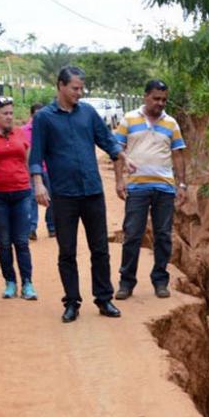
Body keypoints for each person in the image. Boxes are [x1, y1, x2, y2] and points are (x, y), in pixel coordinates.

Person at [30, 66, 134, 323]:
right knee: (67, 251)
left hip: (92, 192)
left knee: (99, 249)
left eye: (81, 88)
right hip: (64, 195)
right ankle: (72, 302)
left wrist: (121, 154)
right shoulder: (44, 118)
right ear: (61, 86)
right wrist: (39, 184)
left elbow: (105, 139)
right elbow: (36, 155)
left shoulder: (87, 112)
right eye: (75, 88)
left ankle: (104, 299)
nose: (80, 92)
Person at [114, 80, 186, 300]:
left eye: (164, 99)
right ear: (145, 96)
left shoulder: (171, 123)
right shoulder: (129, 119)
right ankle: (126, 283)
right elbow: (117, 149)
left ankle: (160, 281)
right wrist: (119, 180)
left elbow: (178, 154)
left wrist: (181, 184)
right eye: (156, 98)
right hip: (137, 187)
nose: (160, 103)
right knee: (133, 234)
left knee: (163, 236)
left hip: (164, 188)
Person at [0, 96, 37, 301]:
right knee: (4, 242)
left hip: (22, 192)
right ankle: (10, 282)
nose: (9, 117)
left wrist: (35, 183)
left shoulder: (20, 134)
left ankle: (27, 282)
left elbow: (28, 159)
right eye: (5, 113)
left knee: (21, 241)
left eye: (11, 113)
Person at [23, 101, 55, 240]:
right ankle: (31, 229)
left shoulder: (51, 129)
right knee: (31, 199)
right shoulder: (23, 131)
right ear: (31, 115)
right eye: (36, 115)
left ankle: (52, 226)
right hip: (31, 170)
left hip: (48, 168)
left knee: (52, 198)